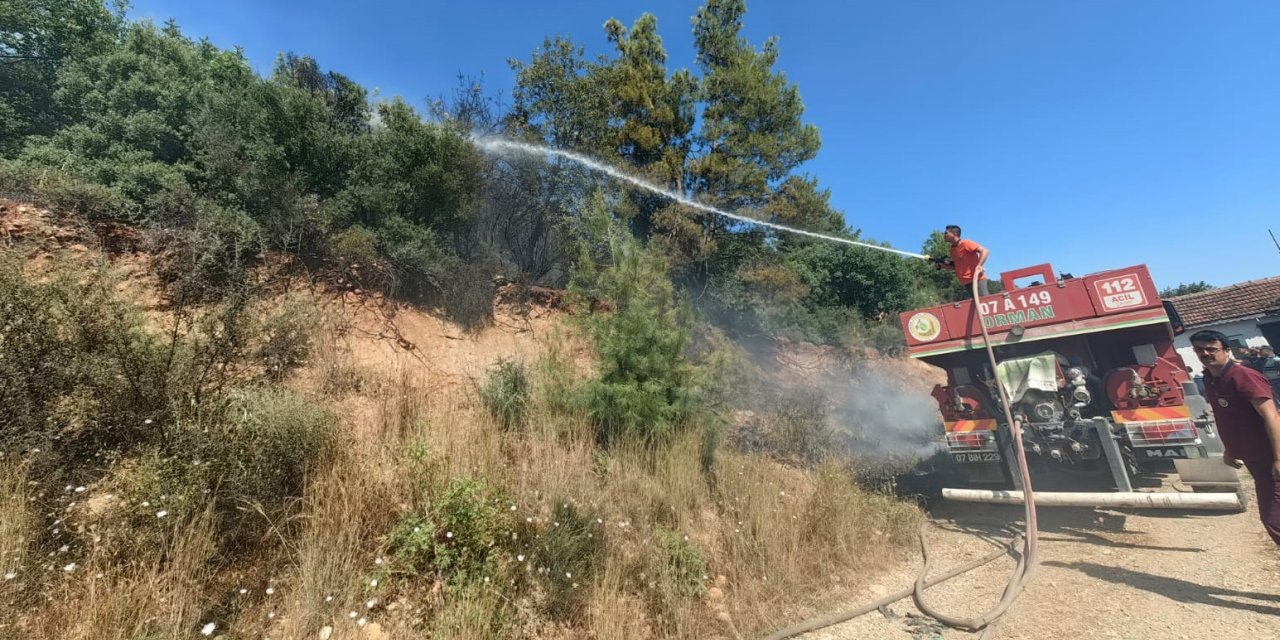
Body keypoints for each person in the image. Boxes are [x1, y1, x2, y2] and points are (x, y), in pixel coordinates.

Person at [1192, 330, 1280, 545]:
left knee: (1273, 518)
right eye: (1199, 350)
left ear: (1226, 350)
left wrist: (1279, 457)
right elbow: (1228, 418)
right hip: (1255, 458)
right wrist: (1230, 449)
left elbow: (1272, 415)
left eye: (1212, 349)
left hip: (1270, 456)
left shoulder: (1243, 376)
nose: (1205, 353)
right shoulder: (1210, 379)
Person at [937, 225, 990, 296]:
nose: (944, 235)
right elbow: (956, 266)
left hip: (977, 280)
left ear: (954, 234)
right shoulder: (952, 250)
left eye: (946, 233)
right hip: (966, 283)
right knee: (976, 305)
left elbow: (985, 251)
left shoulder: (966, 243)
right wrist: (942, 265)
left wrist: (979, 265)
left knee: (985, 303)